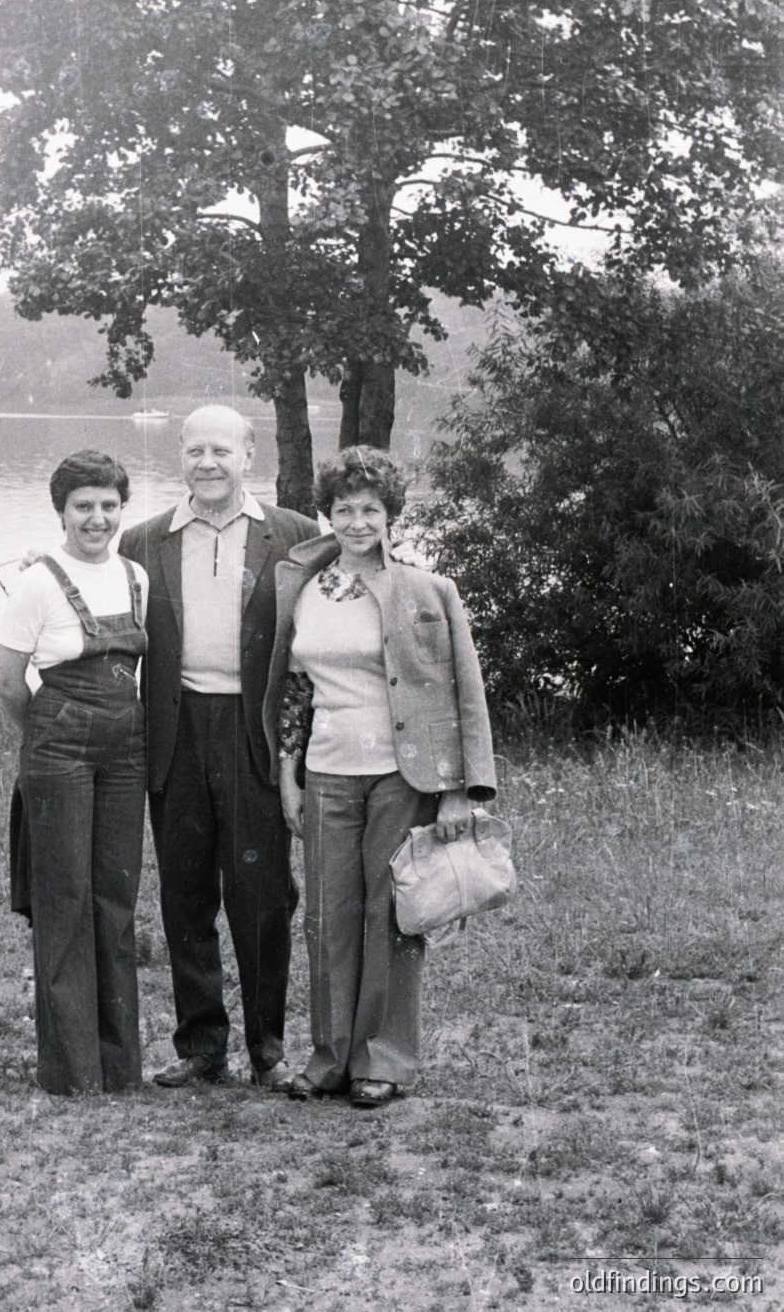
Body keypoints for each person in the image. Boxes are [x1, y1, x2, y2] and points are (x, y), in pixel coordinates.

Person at [262, 446, 497, 1108]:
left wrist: (456, 789)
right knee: (327, 917)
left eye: (369, 509)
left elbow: (463, 694)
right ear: (327, 513)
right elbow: (294, 691)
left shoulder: (428, 591)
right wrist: (287, 772)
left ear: (390, 514)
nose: (357, 521)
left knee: (390, 913)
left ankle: (384, 1060)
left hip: (401, 775)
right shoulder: (302, 585)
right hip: (325, 771)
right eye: (343, 509)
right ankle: (331, 1057)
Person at [119, 404, 320, 1090]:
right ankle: (202, 1044)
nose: (207, 463)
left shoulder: (294, 534)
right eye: (195, 450)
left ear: (249, 454)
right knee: (184, 890)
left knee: (262, 892)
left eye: (221, 450)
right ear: (178, 454)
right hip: (174, 731)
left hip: (251, 729)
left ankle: (267, 1046)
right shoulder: (141, 540)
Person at [0, 449, 149, 1096]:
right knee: (64, 899)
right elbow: (7, 682)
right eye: (83, 505)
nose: (96, 517)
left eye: (108, 504)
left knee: (114, 898)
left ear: (121, 509)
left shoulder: (137, 574)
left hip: (125, 750)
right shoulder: (37, 580)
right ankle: (72, 1068)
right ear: (61, 510)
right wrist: (47, 740)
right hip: (58, 748)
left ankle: (117, 1064)